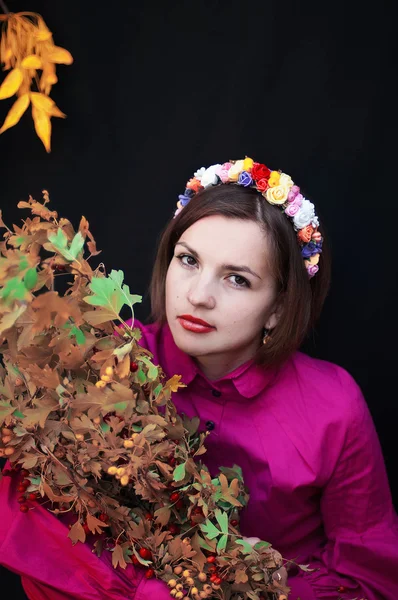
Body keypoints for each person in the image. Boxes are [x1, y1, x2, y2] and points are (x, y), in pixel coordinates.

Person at [1, 157, 398, 600]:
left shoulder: (332, 406)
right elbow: (32, 522)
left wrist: (268, 587)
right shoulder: (107, 360)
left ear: (279, 308)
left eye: (237, 279)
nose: (197, 295)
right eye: (188, 260)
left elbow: (371, 576)